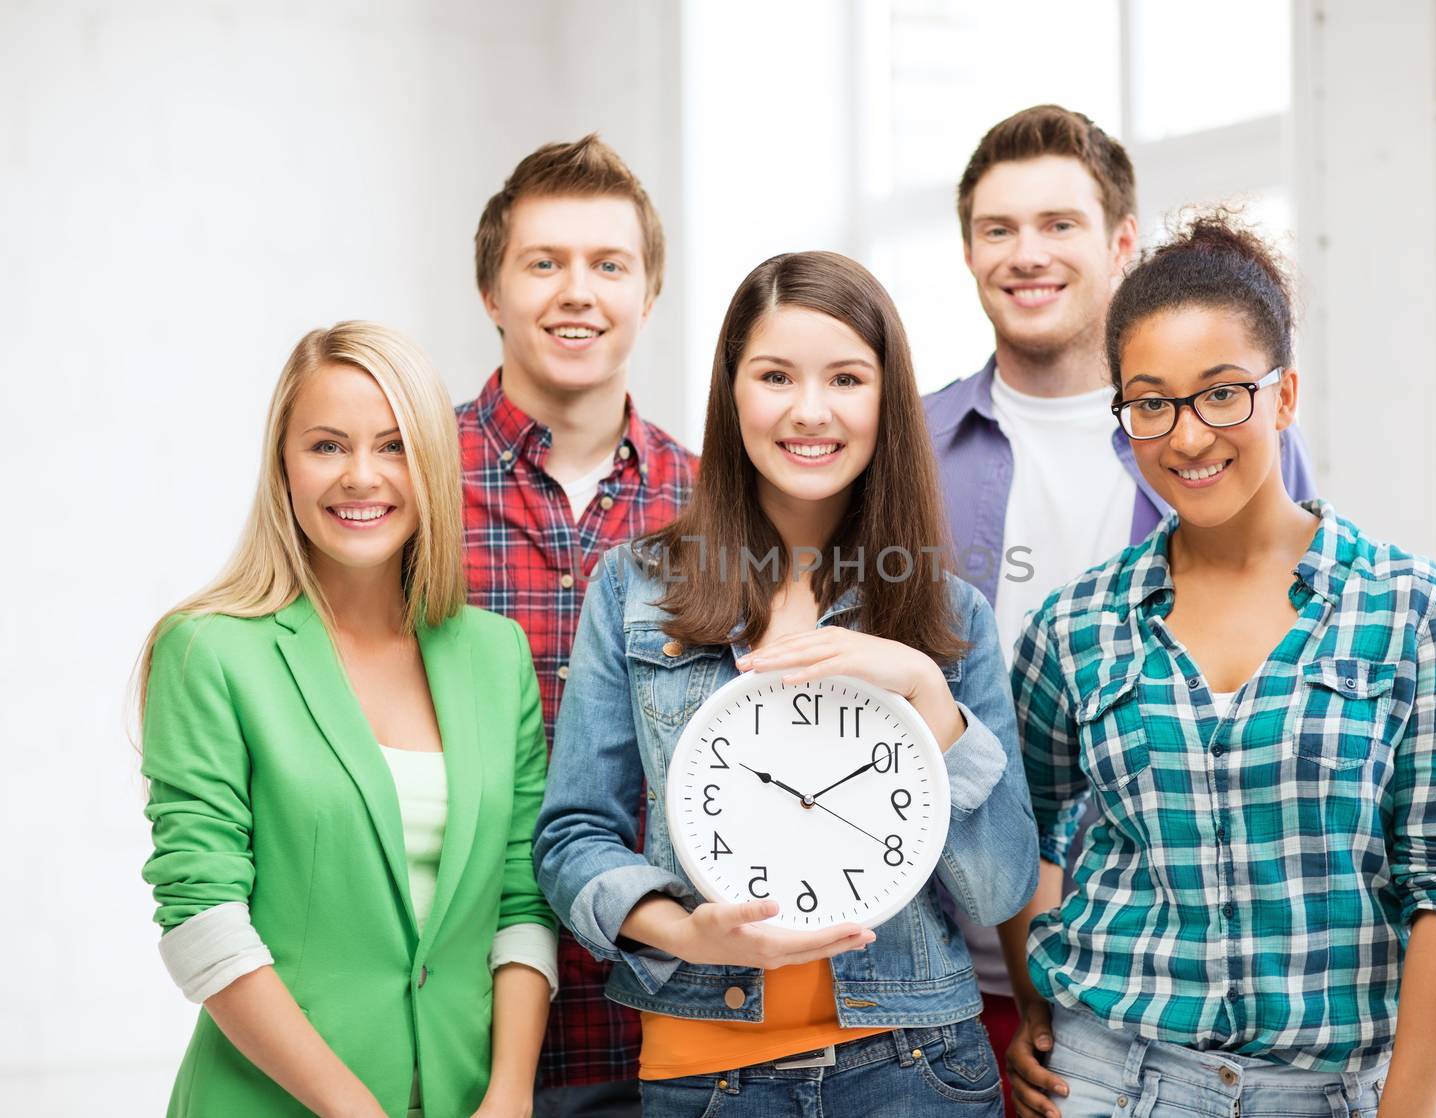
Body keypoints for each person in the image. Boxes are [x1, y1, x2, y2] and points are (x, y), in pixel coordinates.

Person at [1003, 215, 1436, 1118]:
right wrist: (1034, 998)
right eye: (1150, 402)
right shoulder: (1075, 625)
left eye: (1222, 393)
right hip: (1108, 1079)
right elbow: (1026, 830)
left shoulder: (1415, 611)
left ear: (1284, 396)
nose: (1188, 437)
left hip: (1329, 1092)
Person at [534, 251, 1040, 1116]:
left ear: (887, 397)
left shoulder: (948, 615)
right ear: (733, 393)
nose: (811, 411)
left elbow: (1000, 889)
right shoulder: (636, 588)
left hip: (917, 1067)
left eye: (846, 378)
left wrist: (925, 690)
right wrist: (682, 932)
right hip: (705, 1075)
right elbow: (573, 837)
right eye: (776, 376)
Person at [921, 106, 1319, 1107]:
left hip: (1170, 974)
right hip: (940, 966)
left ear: (1121, 242)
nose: (1027, 254)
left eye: (1059, 223)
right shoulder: (909, 447)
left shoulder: (1221, 440)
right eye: (997, 228)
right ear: (967, 249)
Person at [138, 322, 559, 1117]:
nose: (361, 477)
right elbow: (202, 919)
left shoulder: (496, 656)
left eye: (394, 446)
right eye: (327, 446)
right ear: (283, 466)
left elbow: (520, 902)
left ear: (433, 464)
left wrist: (508, 1093)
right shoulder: (209, 651)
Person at [459, 135, 698, 1116]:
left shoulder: (716, 508)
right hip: (456, 1017)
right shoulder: (408, 492)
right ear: (492, 290)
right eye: (543, 262)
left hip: (668, 1021)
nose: (577, 291)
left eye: (609, 265)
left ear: (648, 295)